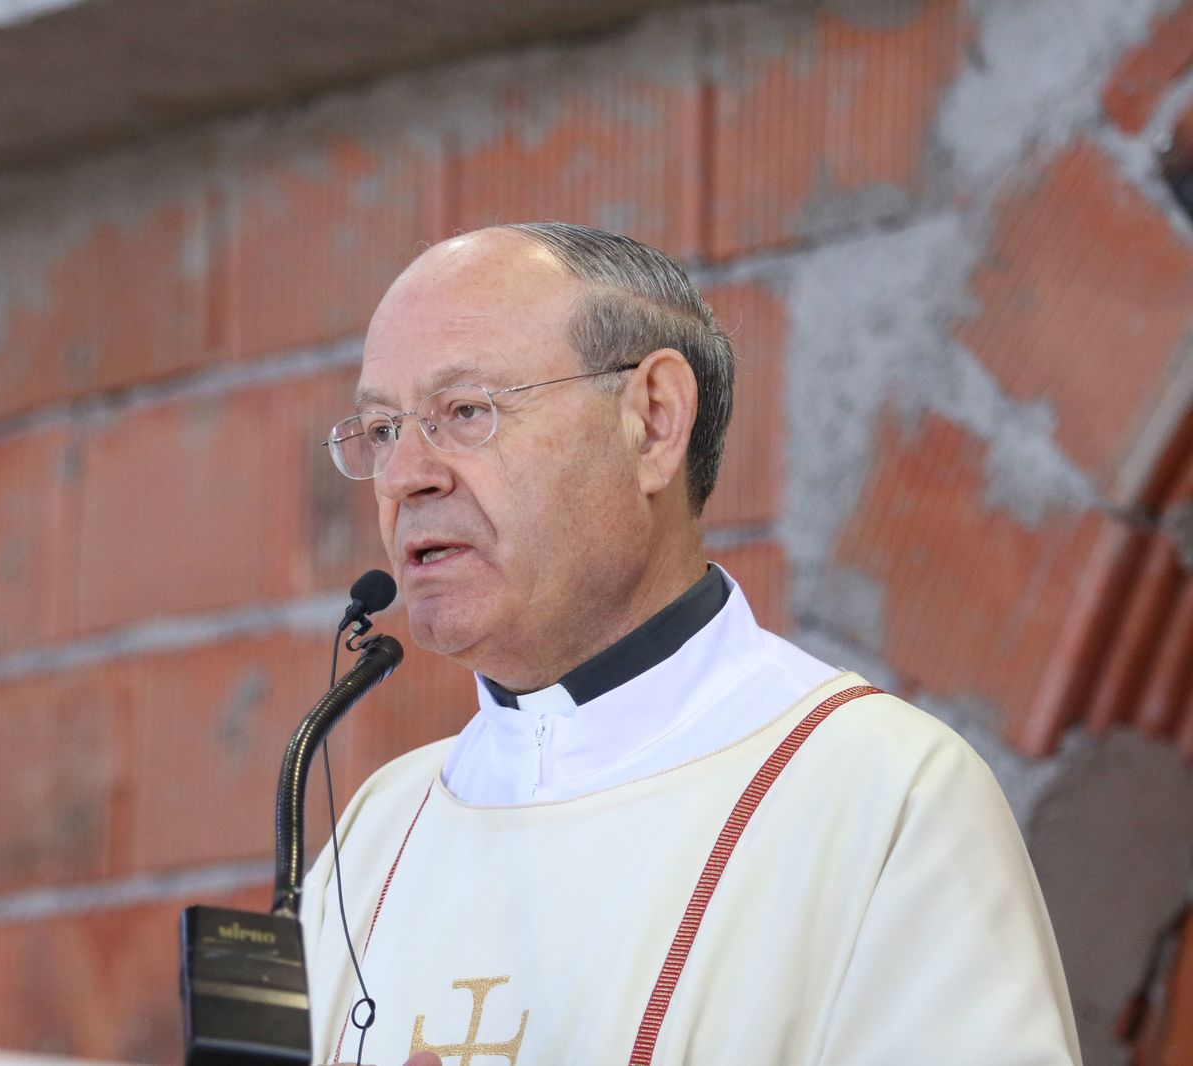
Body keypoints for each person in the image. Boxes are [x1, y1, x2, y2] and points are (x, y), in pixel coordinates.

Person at [302, 222, 1081, 1065]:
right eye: (381, 430)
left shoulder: (879, 794)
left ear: (653, 421)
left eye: (465, 412)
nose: (406, 475)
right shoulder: (381, 835)